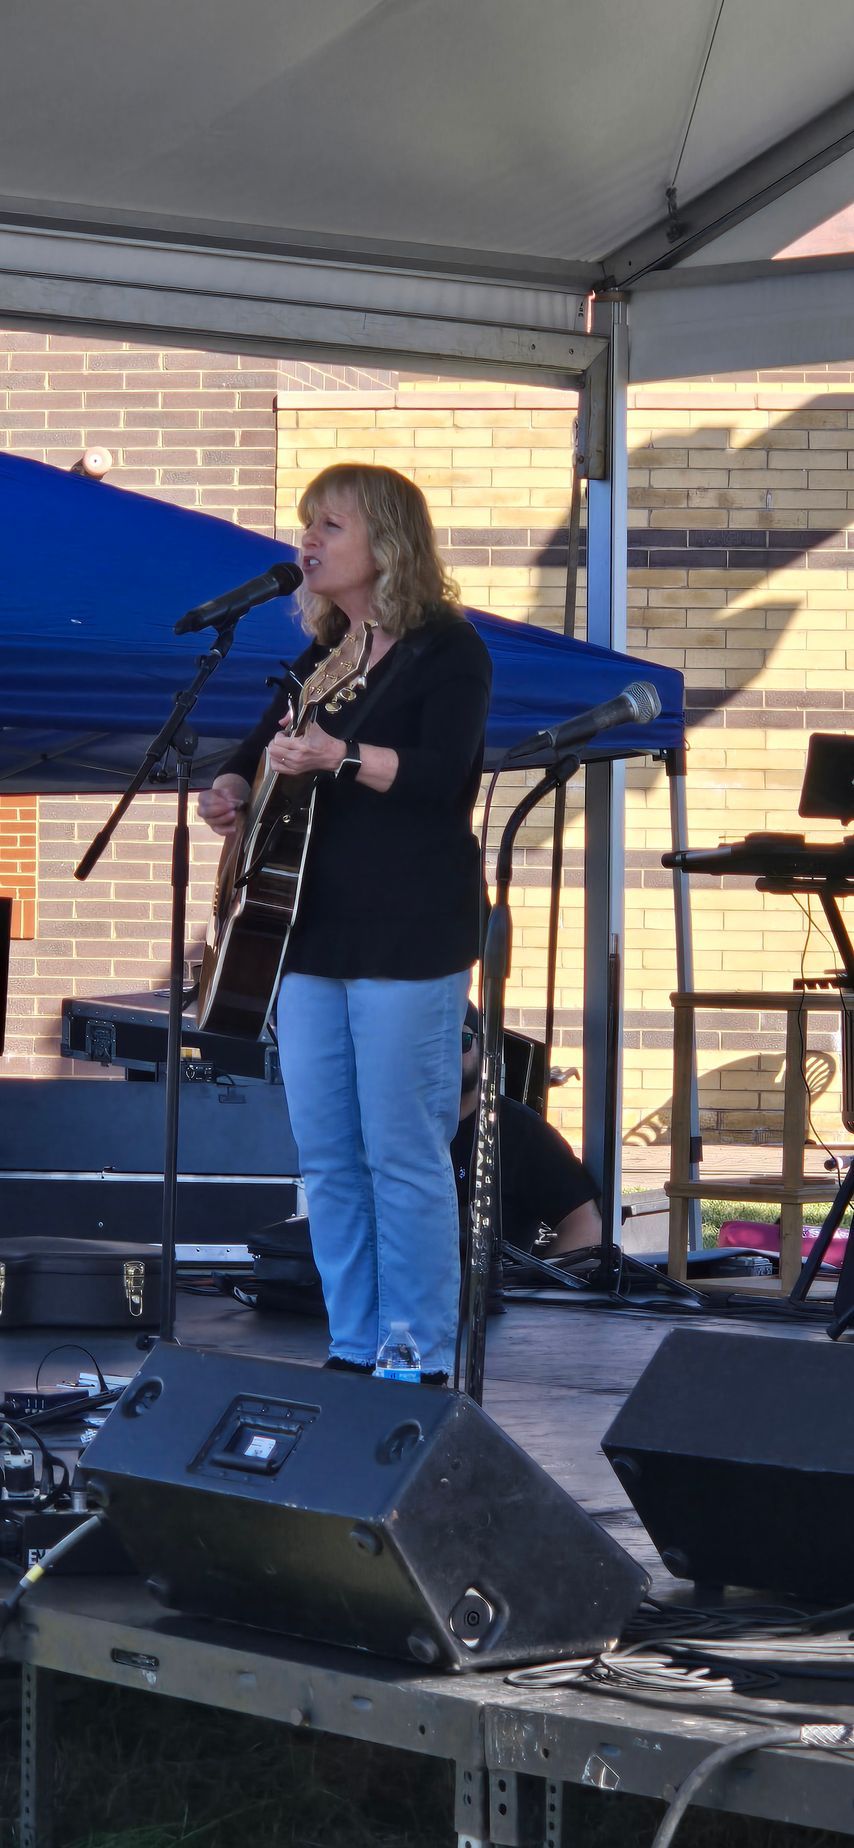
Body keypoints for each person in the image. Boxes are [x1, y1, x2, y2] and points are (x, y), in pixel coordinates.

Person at [198, 463, 492, 1383]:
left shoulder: (447, 651)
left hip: (408, 932)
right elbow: (257, 752)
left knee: (402, 1148)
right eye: (305, 525)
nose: (309, 542)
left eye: (329, 525)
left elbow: (446, 776)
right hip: (306, 932)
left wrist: (346, 754)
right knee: (327, 1154)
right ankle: (353, 1342)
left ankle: (416, 1348)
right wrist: (234, 783)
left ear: (386, 541)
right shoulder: (324, 658)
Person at [452, 1011, 601, 1265]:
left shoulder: (521, 1132)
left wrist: (521, 1287)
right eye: (433, 1042)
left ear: (483, 1046)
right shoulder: (391, 1129)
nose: (445, 1053)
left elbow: (587, 1228)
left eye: (461, 1041)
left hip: (492, 1300)